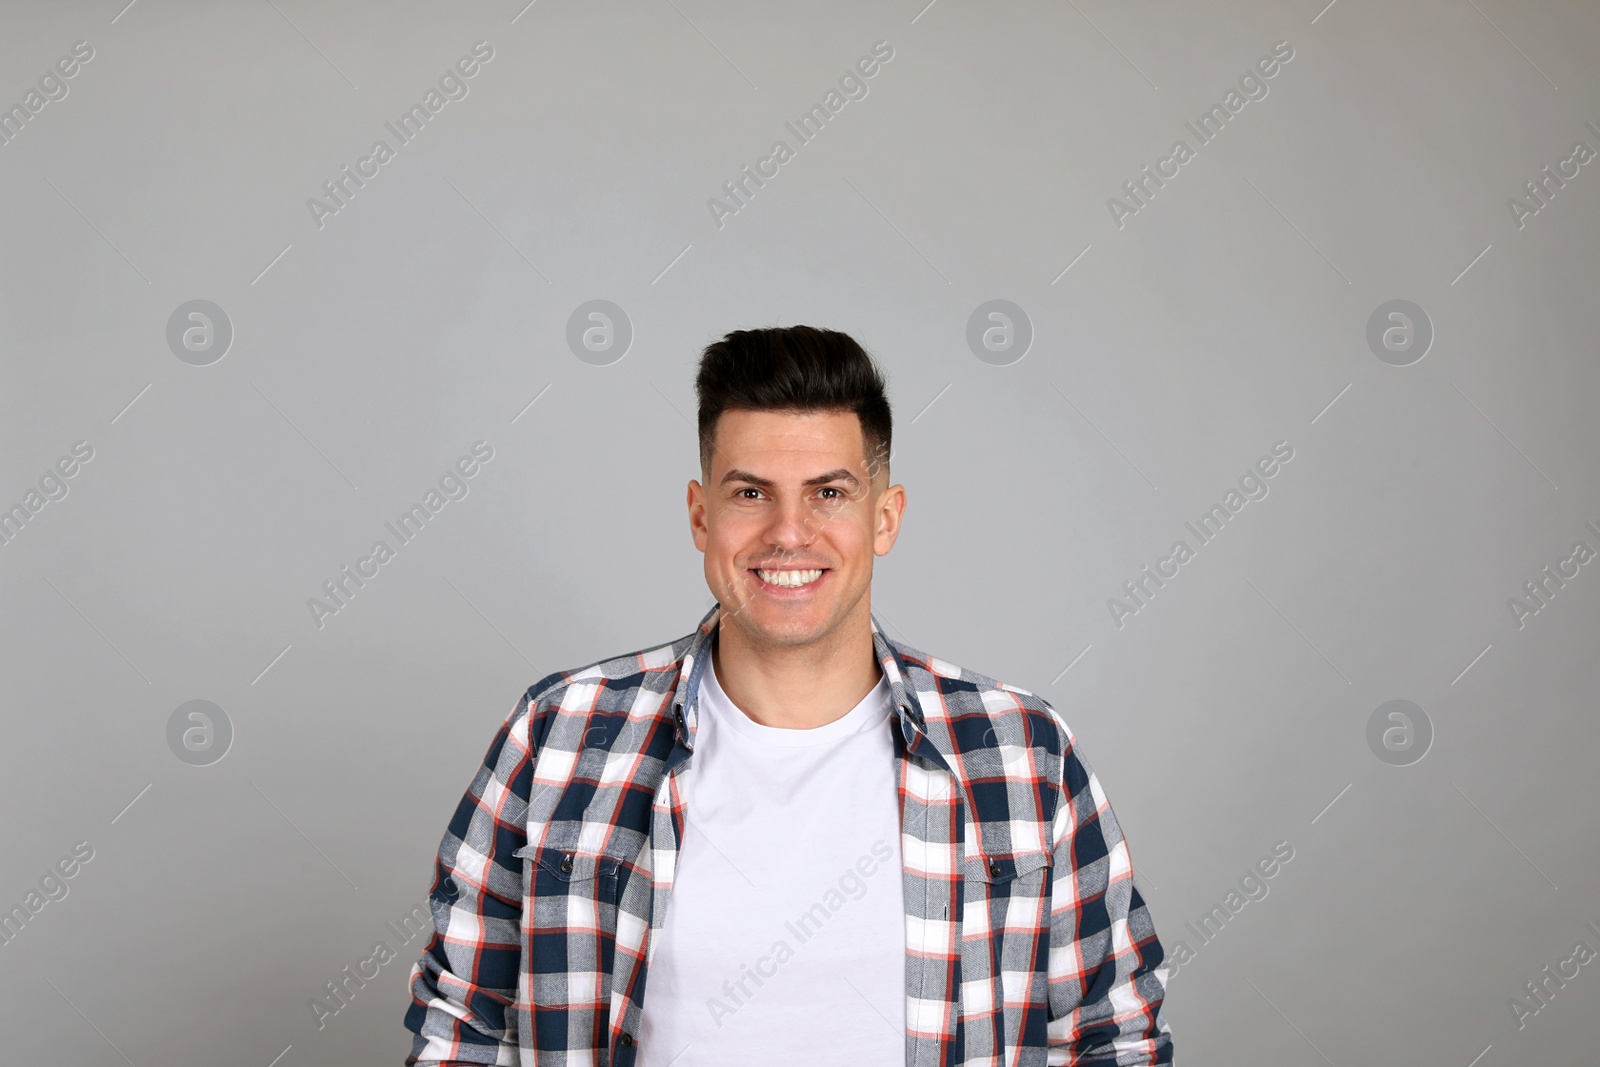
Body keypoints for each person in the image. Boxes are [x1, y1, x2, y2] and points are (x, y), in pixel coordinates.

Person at [403, 325, 1173, 1065]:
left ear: (885, 516)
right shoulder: (560, 736)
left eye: (830, 492)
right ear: (701, 515)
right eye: (750, 493)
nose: (789, 533)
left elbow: (1115, 1033)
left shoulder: (1021, 754)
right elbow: (461, 1022)